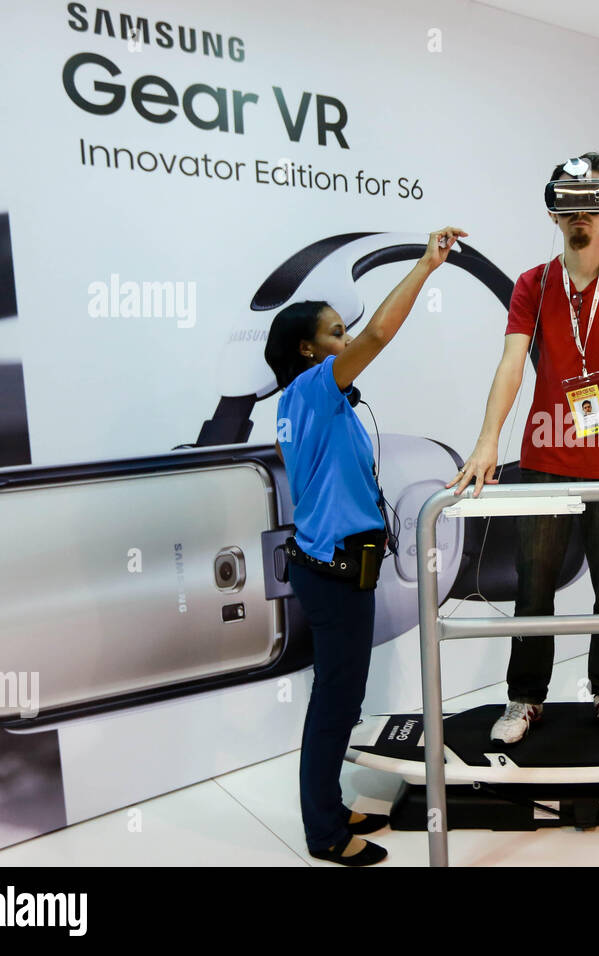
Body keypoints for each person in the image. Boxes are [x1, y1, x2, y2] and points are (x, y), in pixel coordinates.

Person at [447, 152, 599, 745]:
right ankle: (525, 699)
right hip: (547, 458)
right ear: (554, 212)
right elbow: (511, 364)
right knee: (535, 584)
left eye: (590, 201)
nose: (580, 213)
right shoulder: (534, 282)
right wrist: (484, 443)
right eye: (568, 202)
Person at [265, 226, 466, 866]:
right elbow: (380, 333)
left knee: (341, 695)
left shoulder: (321, 403)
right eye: (334, 334)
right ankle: (324, 833)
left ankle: (328, 804)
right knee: (334, 703)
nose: (346, 342)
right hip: (333, 570)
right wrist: (427, 266)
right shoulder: (312, 389)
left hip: (337, 567)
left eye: (343, 336)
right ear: (307, 349)